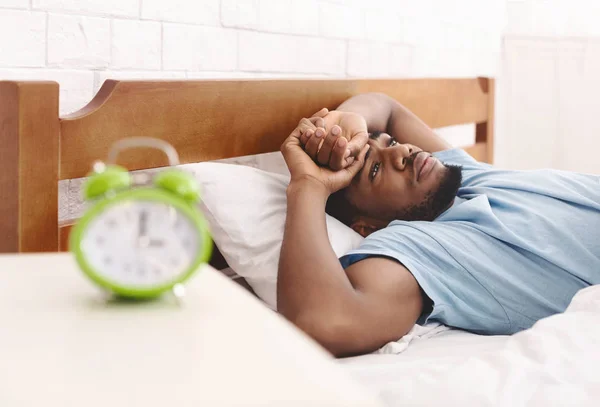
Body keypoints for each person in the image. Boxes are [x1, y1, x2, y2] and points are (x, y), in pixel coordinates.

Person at [277, 93, 600, 357]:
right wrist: (308, 186)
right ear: (366, 226)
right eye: (374, 170)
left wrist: (349, 120)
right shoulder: (421, 248)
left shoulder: (462, 177)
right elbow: (327, 321)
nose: (402, 151)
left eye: (389, 143)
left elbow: (386, 108)